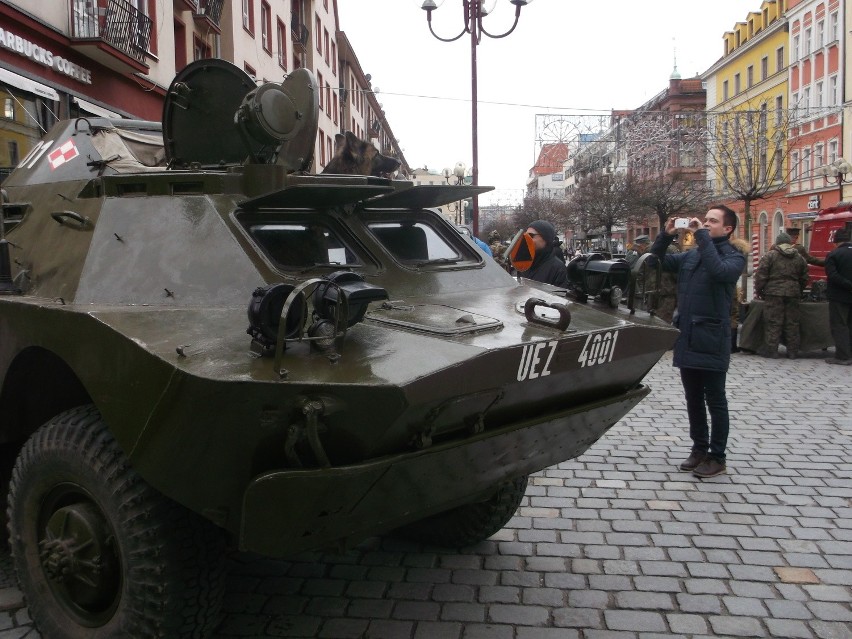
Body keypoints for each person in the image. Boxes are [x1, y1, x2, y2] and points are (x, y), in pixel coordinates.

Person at [649, 205, 745, 478]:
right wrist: (665, 237)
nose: (706, 224)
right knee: (693, 398)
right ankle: (699, 449)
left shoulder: (734, 256)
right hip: (689, 335)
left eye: (713, 221)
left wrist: (701, 236)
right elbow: (656, 263)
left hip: (713, 337)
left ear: (727, 229)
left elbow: (720, 272)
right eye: (706, 220)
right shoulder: (692, 257)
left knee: (715, 399)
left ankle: (718, 456)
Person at [753, 232, 808, 359]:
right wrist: (798, 289)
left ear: (777, 242)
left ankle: (772, 350)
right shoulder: (799, 257)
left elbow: (761, 275)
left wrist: (760, 290)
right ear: (789, 243)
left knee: (773, 321)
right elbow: (804, 277)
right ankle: (792, 352)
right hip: (793, 292)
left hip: (773, 292)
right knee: (792, 322)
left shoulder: (770, 255)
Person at [824, 228, 852, 365]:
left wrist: (848, 284)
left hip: (839, 296)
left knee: (840, 325)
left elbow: (833, 276)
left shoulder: (833, 254)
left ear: (836, 242)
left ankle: (843, 356)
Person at [522, 220, 569, 286]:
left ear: (546, 238)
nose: (526, 239)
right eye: (525, 236)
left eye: (531, 236)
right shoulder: (523, 264)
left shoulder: (558, 269)